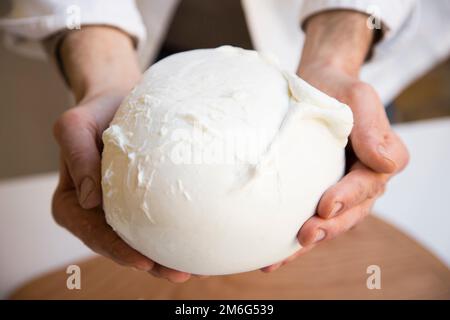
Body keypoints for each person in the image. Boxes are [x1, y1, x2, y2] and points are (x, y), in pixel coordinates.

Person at [1, 0, 448, 283]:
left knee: (339, 190)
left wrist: (337, 53)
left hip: (311, 86)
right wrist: (103, 72)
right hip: (156, 67)